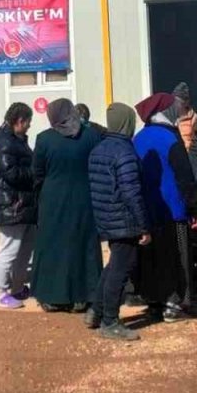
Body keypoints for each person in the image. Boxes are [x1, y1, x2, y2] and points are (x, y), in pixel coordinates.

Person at [31, 98, 103, 313]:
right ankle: (85, 295)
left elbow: (37, 173)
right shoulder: (91, 136)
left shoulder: (45, 139)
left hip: (53, 200)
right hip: (85, 198)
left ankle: (53, 297)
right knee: (84, 246)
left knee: (53, 246)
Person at [133, 92, 197, 321]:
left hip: (147, 210)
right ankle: (177, 303)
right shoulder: (170, 138)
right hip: (173, 209)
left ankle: (154, 301)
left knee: (152, 257)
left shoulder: (139, 137)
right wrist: (193, 208)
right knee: (178, 257)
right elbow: (185, 176)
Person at [87, 102, 150, 341]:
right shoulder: (125, 151)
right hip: (124, 219)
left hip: (106, 217)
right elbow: (131, 191)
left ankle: (96, 310)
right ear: (127, 123)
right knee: (120, 270)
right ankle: (110, 321)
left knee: (113, 265)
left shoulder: (99, 149)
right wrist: (143, 225)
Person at [0, 103, 38, 309]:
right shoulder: (4, 143)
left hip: (21, 204)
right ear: (20, 121)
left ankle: (17, 287)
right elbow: (12, 174)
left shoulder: (16, 141)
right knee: (8, 250)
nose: (29, 126)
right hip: (10, 206)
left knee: (24, 249)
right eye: (28, 122)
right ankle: (0, 292)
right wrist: (35, 173)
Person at [173, 82, 197, 150]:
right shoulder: (170, 118)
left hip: (188, 155)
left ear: (186, 102)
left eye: (178, 102)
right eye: (174, 101)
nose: (175, 104)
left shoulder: (195, 118)